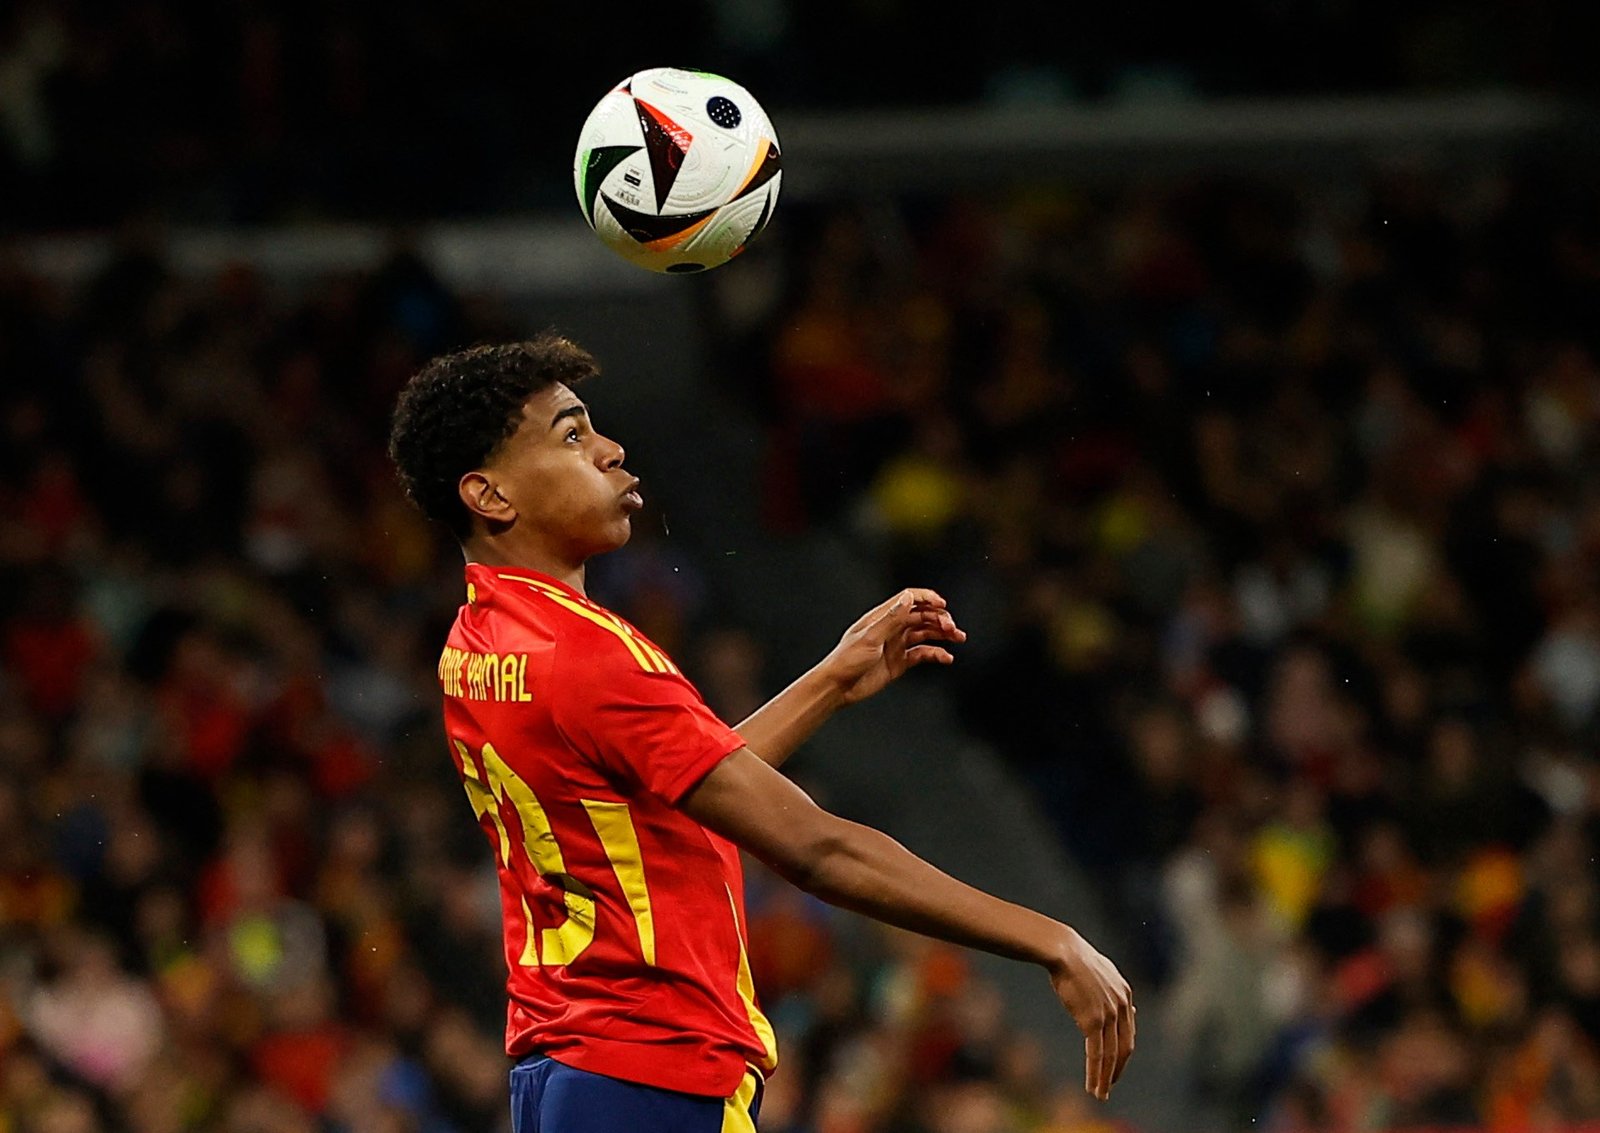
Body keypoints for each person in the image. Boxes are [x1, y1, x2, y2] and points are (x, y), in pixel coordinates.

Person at [387, 336, 1134, 1132]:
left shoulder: (478, 642)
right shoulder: (589, 655)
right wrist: (1049, 938)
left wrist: (831, 681)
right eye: (572, 435)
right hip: (653, 1070)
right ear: (490, 494)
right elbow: (816, 848)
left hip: (572, 1070)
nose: (610, 450)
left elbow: (674, 791)